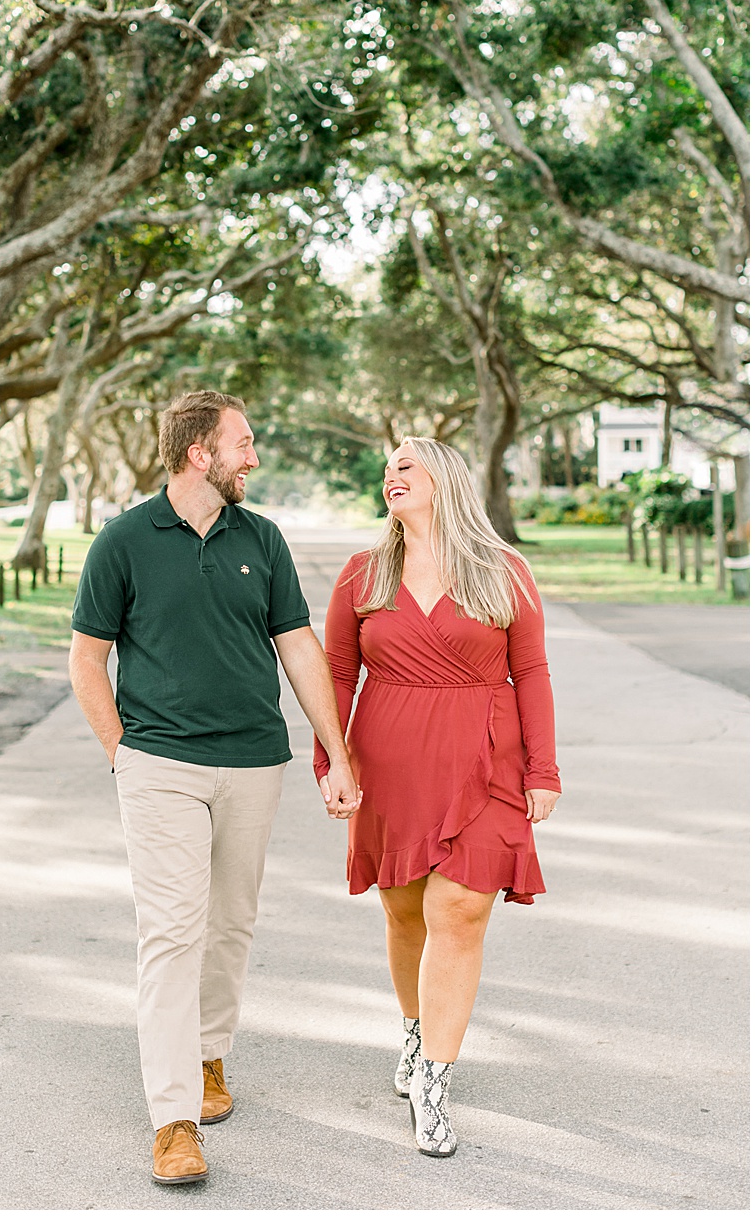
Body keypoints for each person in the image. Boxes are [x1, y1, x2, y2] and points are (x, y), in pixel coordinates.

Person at [70, 390, 362, 1187]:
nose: (253, 456)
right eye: (243, 442)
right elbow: (86, 659)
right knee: (171, 932)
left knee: (229, 923)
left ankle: (207, 1055)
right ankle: (173, 1119)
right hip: (159, 764)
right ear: (200, 452)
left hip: (253, 762)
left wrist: (336, 750)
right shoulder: (125, 540)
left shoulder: (260, 538)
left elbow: (298, 646)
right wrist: (121, 754)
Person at [313, 437, 560, 1158]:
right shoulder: (363, 574)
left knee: (460, 908)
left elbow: (534, 673)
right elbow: (335, 673)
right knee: (404, 909)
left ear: (443, 480)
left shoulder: (502, 571)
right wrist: (332, 760)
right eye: (386, 469)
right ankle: (416, 1029)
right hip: (389, 761)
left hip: (485, 760)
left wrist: (542, 770)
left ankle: (434, 1080)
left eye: (406, 466)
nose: (391, 476)